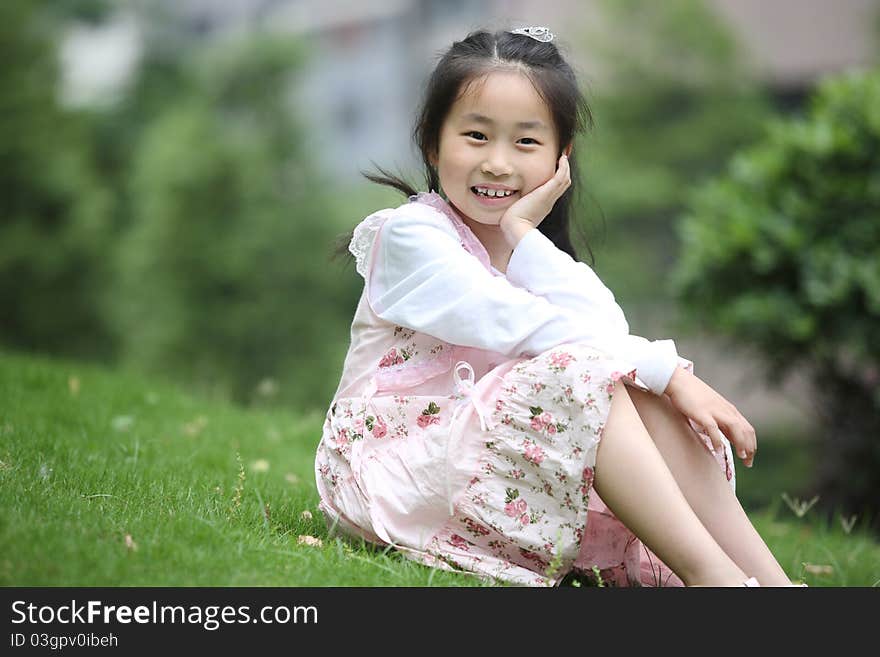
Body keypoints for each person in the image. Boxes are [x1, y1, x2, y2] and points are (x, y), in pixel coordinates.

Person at [315, 26, 800, 587]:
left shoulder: (528, 250)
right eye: (475, 136)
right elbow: (520, 324)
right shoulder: (410, 236)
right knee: (593, 371)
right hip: (391, 471)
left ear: (559, 159)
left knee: (628, 382)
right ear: (432, 143)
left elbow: (605, 330)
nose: (497, 164)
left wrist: (524, 232)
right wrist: (671, 373)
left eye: (525, 142)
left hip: (478, 458)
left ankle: (777, 586)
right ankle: (715, 581)